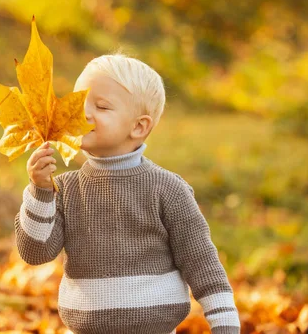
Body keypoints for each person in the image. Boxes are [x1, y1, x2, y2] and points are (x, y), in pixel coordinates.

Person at [15, 54, 240, 334]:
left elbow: (200, 261)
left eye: (102, 106)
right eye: (78, 102)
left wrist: (225, 325)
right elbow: (35, 252)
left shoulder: (167, 189)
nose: (83, 113)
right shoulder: (65, 189)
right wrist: (40, 190)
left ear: (138, 126)